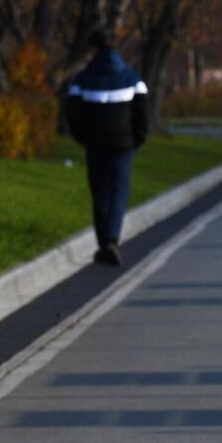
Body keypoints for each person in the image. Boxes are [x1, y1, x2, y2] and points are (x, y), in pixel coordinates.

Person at [64, 30, 149, 266]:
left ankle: (103, 242)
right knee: (118, 190)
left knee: (99, 192)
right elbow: (143, 114)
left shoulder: (82, 80)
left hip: (95, 145)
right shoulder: (132, 79)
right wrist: (137, 139)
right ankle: (112, 238)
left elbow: (73, 115)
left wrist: (84, 138)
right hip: (123, 145)